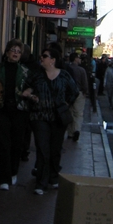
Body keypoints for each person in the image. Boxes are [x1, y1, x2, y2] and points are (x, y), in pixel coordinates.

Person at [22, 45, 77, 195]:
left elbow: (74, 91)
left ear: (53, 60)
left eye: (45, 56)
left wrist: (66, 104)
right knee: (42, 148)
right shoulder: (36, 75)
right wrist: (31, 96)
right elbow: (26, 89)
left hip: (58, 118)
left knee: (55, 149)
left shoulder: (64, 75)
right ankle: (41, 182)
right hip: (39, 117)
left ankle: (53, 177)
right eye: (41, 56)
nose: (41, 58)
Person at [0, 39, 31, 189]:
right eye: (13, 50)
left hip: (19, 111)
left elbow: (33, 85)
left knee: (16, 144)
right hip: (0, 109)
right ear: (7, 52)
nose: (15, 53)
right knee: (3, 144)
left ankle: (13, 172)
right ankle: (4, 179)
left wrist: (30, 91)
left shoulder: (25, 71)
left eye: (18, 51)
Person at [65, 51, 89, 142]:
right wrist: (85, 92)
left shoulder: (67, 68)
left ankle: (70, 132)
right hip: (79, 92)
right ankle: (77, 130)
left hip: (68, 94)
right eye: (78, 58)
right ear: (75, 59)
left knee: (70, 112)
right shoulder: (81, 70)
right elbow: (85, 83)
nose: (80, 59)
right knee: (78, 113)